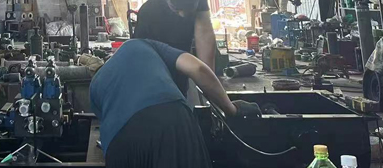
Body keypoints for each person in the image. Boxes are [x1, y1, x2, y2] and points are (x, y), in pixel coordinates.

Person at [90, 38, 259, 168]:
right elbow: (198, 68)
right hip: (171, 123)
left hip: (120, 144)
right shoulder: (140, 44)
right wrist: (231, 109)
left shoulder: (95, 84)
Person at [134, 0, 216, 91]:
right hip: (154, 70)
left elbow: (204, 33)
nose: (183, 15)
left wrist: (210, 83)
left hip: (181, 59)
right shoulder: (149, 13)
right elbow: (141, 59)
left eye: (189, 9)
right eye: (176, 9)